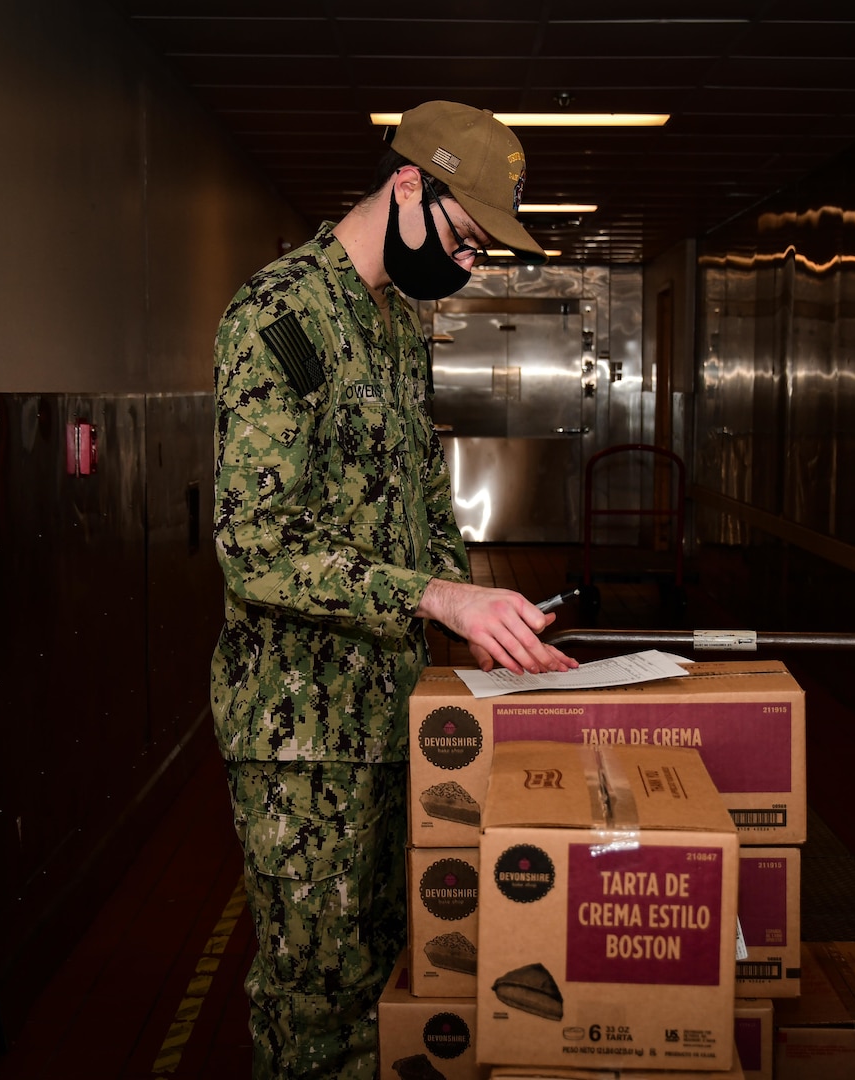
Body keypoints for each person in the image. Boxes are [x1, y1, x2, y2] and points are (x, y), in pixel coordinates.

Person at [209, 100, 578, 1079]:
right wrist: (439, 602)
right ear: (406, 184)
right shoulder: (279, 315)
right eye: (461, 237)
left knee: (390, 979)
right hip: (301, 732)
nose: (463, 265)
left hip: (394, 713)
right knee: (316, 1001)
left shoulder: (396, 327)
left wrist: (486, 628)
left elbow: (419, 505)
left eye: (479, 253)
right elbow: (256, 548)